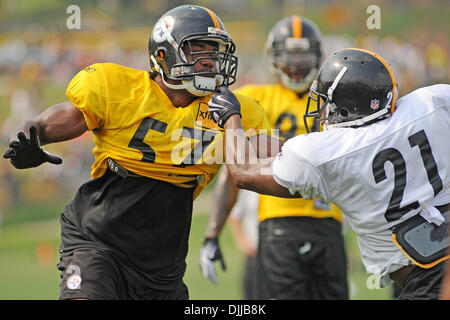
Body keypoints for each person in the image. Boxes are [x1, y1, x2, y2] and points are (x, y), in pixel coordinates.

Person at [2, 5, 277, 300]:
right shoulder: (120, 88)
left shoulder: (234, 110)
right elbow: (59, 119)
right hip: (96, 241)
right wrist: (30, 134)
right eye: (199, 48)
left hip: (161, 267)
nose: (210, 60)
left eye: (215, 50)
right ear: (163, 53)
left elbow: (280, 158)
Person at [206, 48, 449, 300]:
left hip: (424, 282)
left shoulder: (330, 153)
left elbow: (243, 173)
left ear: (345, 108)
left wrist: (231, 118)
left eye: (326, 102)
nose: (322, 110)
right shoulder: (432, 102)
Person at [199, 16, 348, 300]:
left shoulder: (333, 99)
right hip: (279, 225)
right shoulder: (255, 98)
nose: (296, 65)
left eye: (303, 56)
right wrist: (212, 232)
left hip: (328, 223)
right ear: (273, 58)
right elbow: (233, 170)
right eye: (288, 57)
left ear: (317, 57)